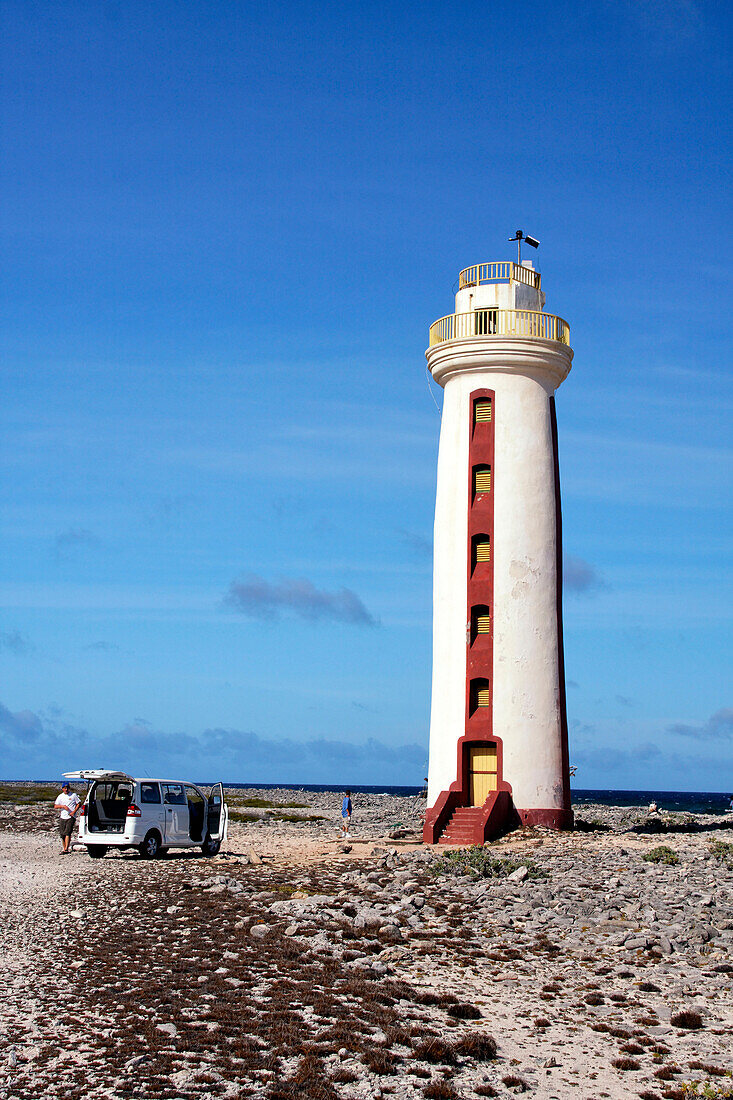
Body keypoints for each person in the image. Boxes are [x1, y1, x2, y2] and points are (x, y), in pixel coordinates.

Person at [54, 781, 82, 854]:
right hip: (63, 816)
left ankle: (66, 849)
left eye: (67, 788)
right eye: (64, 788)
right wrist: (63, 806)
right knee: (62, 834)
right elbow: (55, 806)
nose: (66, 789)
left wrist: (74, 811)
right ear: (62, 789)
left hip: (71, 816)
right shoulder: (60, 796)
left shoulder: (73, 795)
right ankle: (64, 847)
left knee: (67, 832)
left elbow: (78, 803)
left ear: (69, 788)